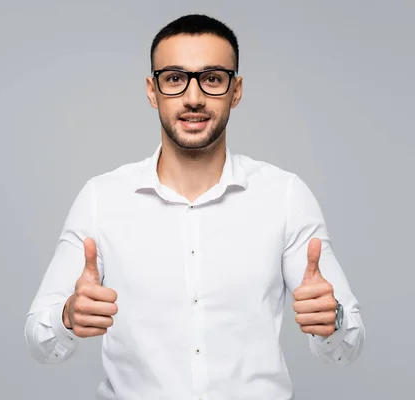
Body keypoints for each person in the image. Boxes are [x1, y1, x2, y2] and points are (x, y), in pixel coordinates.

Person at [24, 13, 365, 400]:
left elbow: (347, 348)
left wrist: (332, 320)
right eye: (174, 79)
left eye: (212, 79)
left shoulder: (285, 196)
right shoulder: (102, 199)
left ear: (236, 91)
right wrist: (68, 317)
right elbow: (40, 339)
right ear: (152, 91)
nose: (193, 98)